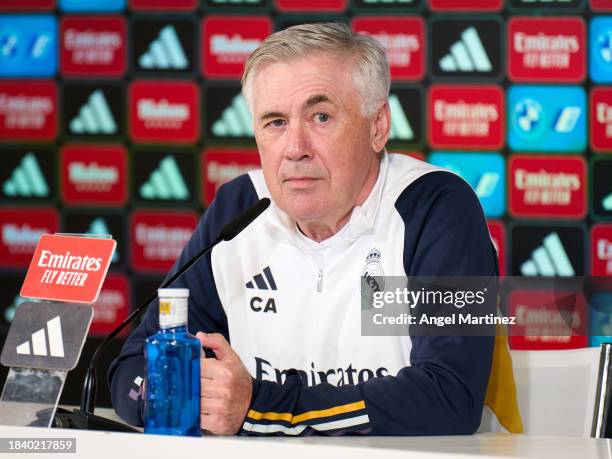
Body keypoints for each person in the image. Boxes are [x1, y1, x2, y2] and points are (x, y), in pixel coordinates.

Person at [109, 22, 522, 436]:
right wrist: (194, 397)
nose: (295, 148)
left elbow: (449, 397)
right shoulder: (240, 209)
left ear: (377, 126)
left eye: (321, 117)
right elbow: (132, 371)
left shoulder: (434, 207)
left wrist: (257, 406)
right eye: (275, 122)